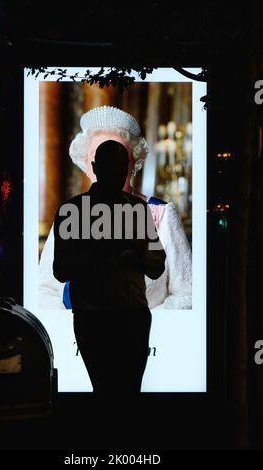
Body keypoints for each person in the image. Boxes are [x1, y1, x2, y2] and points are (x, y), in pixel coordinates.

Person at [39, 105, 192, 310]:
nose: (110, 167)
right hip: (84, 332)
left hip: (138, 334)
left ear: (132, 163)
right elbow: (46, 287)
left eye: (118, 158)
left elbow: (186, 293)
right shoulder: (70, 212)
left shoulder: (153, 212)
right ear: (89, 164)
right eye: (101, 157)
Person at [53, 140, 166, 396]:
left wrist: (137, 252)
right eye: (110, 169)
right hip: (95, 320)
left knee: (127, 397)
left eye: (120, 169)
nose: (117, 176)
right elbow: (60, 271)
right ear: (94, 167)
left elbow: (157, 266)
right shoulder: (72, 211)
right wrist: (102, 252)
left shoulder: (138, 210)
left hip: (132, 318)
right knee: (107, 397)